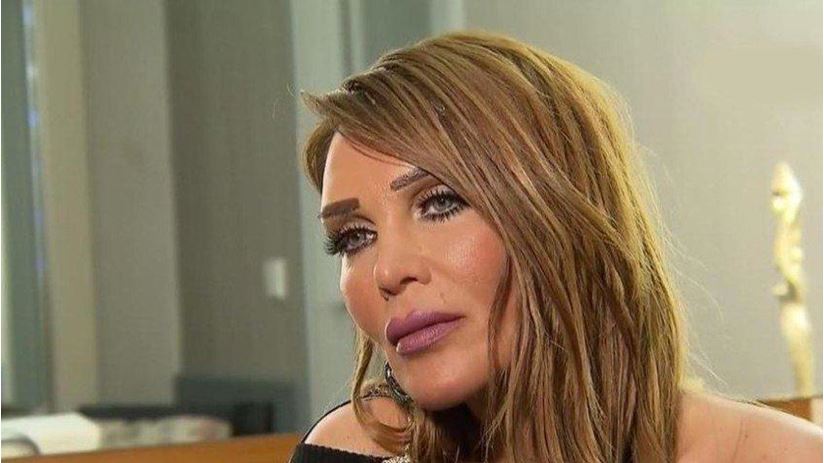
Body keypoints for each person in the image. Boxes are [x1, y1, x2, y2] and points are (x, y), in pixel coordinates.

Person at [289, 31, 822, 462]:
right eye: (354, 237)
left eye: (441, 203)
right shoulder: (348, 450)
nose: (387, 271)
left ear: (561, 216)